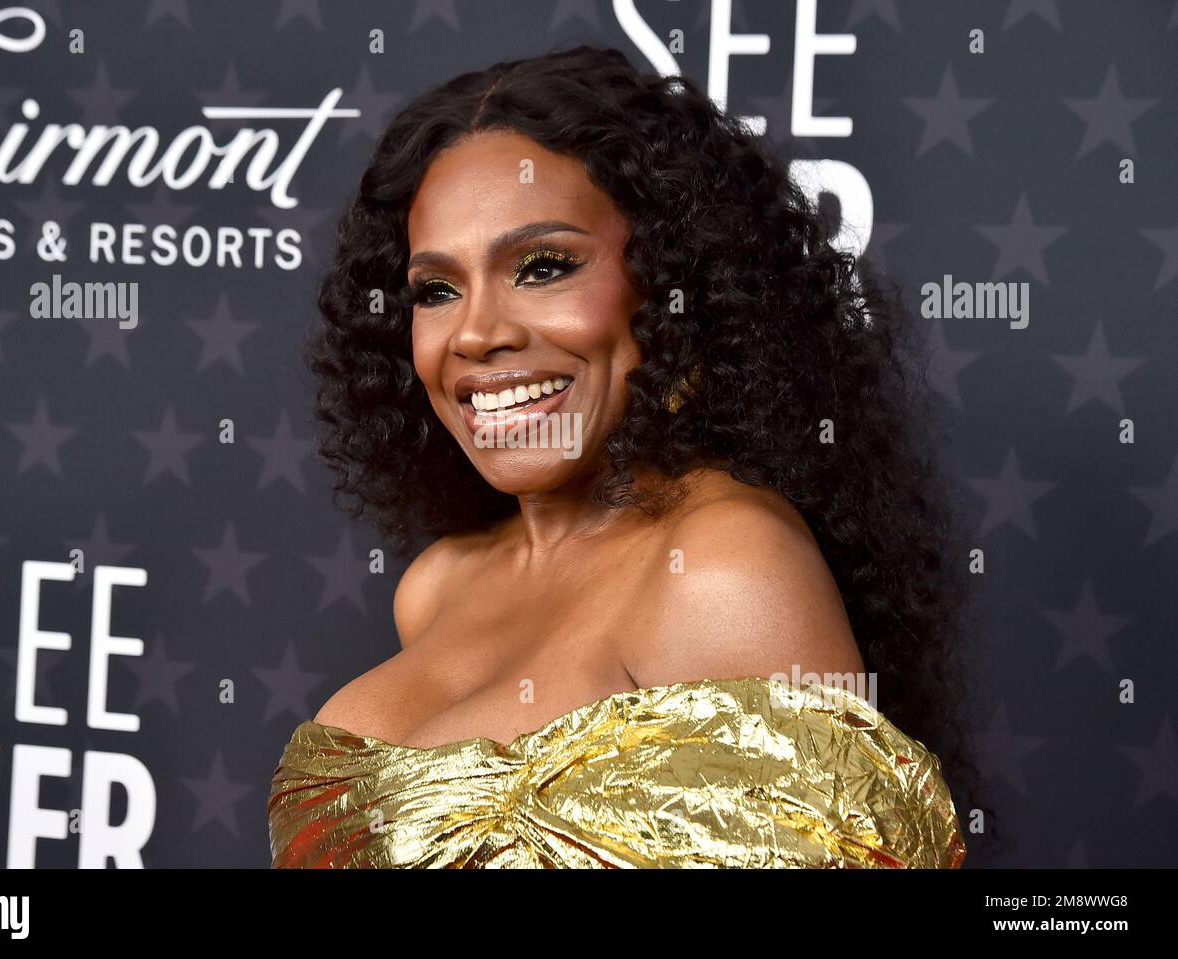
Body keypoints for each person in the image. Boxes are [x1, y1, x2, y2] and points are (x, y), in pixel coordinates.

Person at [268, 45, 973, 868]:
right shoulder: (435, 585)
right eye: (437, 288)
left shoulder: (721, 563)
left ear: (673, 287)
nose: (476, 331)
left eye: (542, 267)